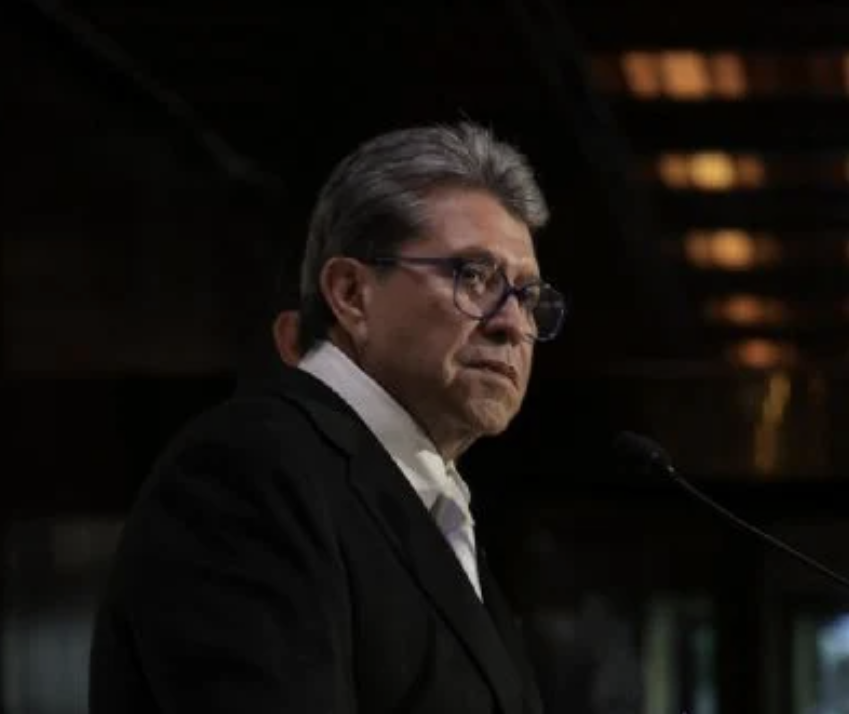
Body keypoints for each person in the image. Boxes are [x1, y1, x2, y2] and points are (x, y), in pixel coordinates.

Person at [89, 121, 567, 714]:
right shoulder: (249, 470)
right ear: (351, 293)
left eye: (528, 296)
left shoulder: (433, 502)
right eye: (474, 277)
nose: (513, 325)